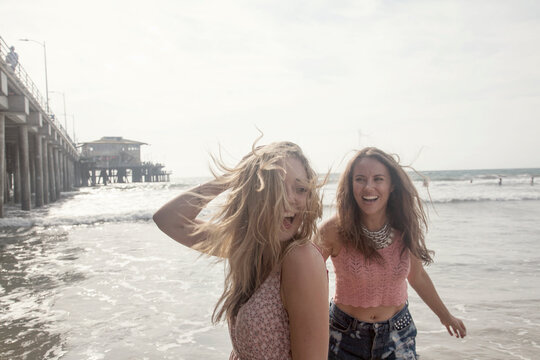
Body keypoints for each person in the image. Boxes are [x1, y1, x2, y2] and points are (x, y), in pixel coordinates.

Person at [153, 141, 329, 360]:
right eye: (276, 187)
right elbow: (169, 220)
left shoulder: (301, 259)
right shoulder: (248, 250)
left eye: (300, 189)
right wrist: (233, 179)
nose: (289, 199)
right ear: (255, 193)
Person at [319, 147, 466, 360]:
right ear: (351, 185)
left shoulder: (404, 227)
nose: (369, 187)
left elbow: (417, 276)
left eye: (378, 179)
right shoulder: (333, 230)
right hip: (343, 335)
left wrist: (446, 317)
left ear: (392, 186)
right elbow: (307, 276)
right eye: (360, 179)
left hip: (398, 333)